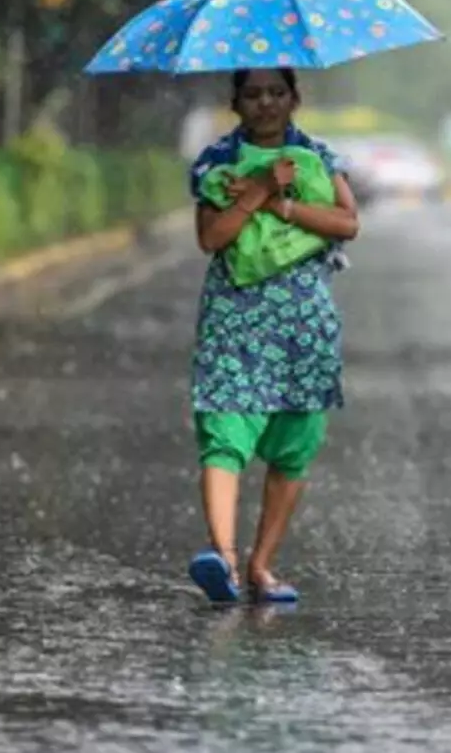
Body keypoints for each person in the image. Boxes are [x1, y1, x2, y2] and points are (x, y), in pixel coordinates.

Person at [185, 67, 360, 605]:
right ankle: (226, 560)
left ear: (294, 99)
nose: (265, 103)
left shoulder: (318, 158)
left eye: (276, 93)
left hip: (302, 322)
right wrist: (255, 191)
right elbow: (212, 238)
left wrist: (281, 203)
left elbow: (347, 223)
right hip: (235, 318)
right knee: (224, 430)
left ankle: (262, 565)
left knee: (293, 446)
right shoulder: (216, 164)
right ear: (235, 102)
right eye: (253, 94)